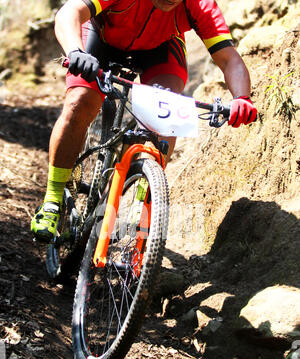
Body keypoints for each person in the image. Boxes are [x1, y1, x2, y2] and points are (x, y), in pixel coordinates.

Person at [31, 0, 257, 243]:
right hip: (102, 37)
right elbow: (70, 12)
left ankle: (143, 203)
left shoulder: (199, 4)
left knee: (165, 118)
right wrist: (75, 51)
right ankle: (53, 200)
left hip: (160, 48)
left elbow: (228, 58)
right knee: (80, 102)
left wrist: (242, 98)